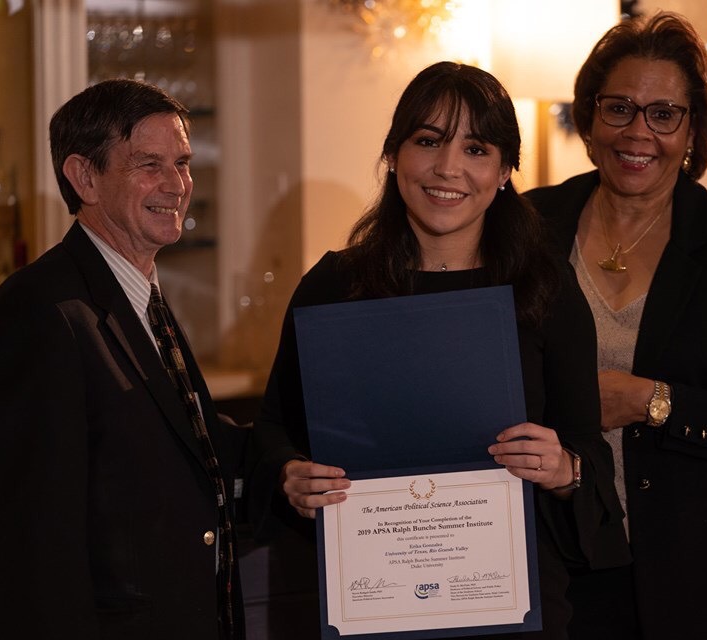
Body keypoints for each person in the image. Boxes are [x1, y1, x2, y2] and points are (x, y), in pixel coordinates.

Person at [247, 61, 631, 639]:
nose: (448, 168)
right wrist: (290, 474)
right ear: (394, 154)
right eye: (428, 141)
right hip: (371, 597)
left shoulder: (544, 291)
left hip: (515, 597)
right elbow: (275, 427)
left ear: (505, 170)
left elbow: (587, 453)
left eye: (476, 149)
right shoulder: (334, 286)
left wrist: (563, 467)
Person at [524, 11, 707, 640]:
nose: (639, 132)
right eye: (619, 108)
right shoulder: (527, 225)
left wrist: (649, 401)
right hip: (559, 564)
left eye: (664, 113)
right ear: (588, 116)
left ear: (694, 131)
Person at [0, 79, 247, 640]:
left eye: (183, 163)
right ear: (83, 177)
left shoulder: (140, 294)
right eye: (149, 164)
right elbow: (30, 550)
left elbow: (184, 444)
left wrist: (289, 460)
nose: (177, 185)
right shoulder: (38, 310)